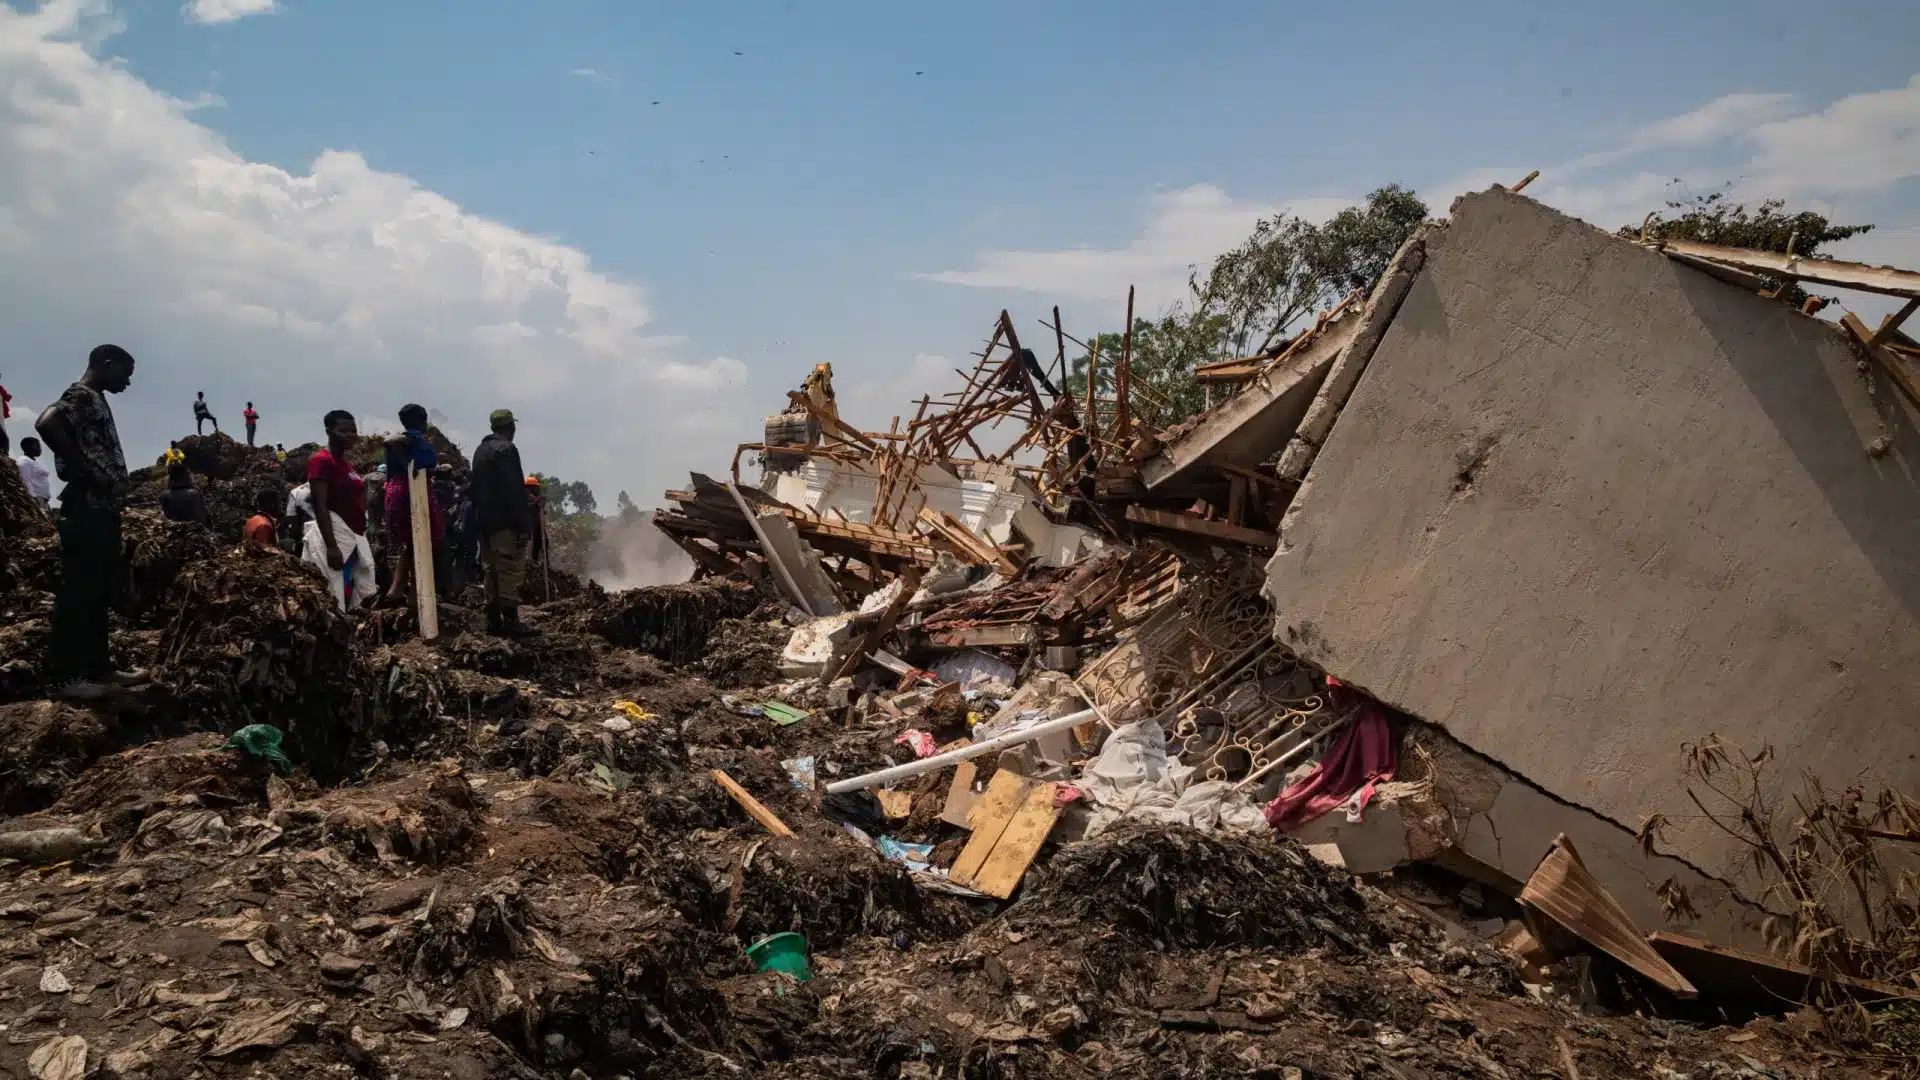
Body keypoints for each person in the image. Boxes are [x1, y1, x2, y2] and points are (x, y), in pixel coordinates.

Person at [34, 344, 147, 702]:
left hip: (102, 508)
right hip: (85, 504)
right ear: (108, 364)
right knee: (80, 589)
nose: (128, 383)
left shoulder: (95, 398)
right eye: (125, 374)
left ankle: (99, 668)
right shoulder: (81, 395)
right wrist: (86, 471)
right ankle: (67, 677)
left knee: (98, 589)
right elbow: (47, 422)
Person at [471, 409, 539, 638]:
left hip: (486, 524)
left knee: (491, 570)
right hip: (506, 523)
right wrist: (523, 524)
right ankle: (511, 622)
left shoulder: (480, 450)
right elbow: (513, 491)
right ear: (511, 427)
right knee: (510, 570)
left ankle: (493, 620)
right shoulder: (507, 449)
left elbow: (476, 489)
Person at [305, 410, 374, 612]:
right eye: (344, 430)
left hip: (353, 537)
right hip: (335, 537)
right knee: (333, 594)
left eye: (353, 430)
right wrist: (332, 546)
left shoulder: (346, 464)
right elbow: (320, 505)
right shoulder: (321, 461)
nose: (350, 435)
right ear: (329, 431)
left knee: (356, 591)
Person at [379, 404, 447, 608]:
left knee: (412, 543)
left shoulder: (403, 442)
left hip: (397, 490)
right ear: (422, 419)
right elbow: (425, 460)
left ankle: (399, 590)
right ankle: (415, 594)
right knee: (424, 540)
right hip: (411, 491)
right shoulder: (414, 437)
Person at [16, 436, 50, 508]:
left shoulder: (35, 461)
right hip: (36, 499)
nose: (40, 449)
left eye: (39, 446)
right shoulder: (23, 461)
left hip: (43, 500)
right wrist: (33, 498)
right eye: (37, 446)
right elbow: (25, 480)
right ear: (28, 448)